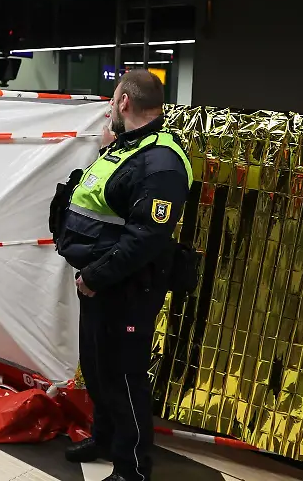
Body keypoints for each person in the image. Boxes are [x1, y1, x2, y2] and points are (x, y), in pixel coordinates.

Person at [50, 70, 192, 481]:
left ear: (125, 103)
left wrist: (95, 277)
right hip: (99, 284)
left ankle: (132, 468)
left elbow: (146, 237)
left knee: (123, 377)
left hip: (125, 287)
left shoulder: (161, 162)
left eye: (112, 102)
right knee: (97, 369)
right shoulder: (126, 149)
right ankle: (105, 438)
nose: (109, 109)